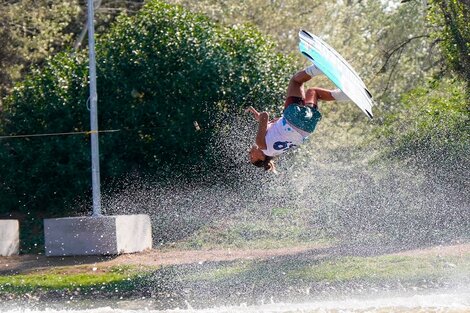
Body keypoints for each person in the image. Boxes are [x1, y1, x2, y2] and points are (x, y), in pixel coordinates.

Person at [247, 64, 349, 172]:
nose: (249, 153)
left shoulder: (275, 152)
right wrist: (259, 117)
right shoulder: (260, 144)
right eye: (252, 157)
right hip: (293, 118)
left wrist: (274, 122)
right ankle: (319, 67)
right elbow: (265, 116)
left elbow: (281, 132)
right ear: (262, 157)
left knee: (313, 93)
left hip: (308, 128)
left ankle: (345, 95)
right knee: (296, 81)